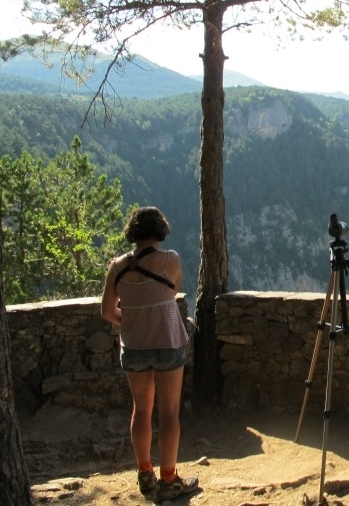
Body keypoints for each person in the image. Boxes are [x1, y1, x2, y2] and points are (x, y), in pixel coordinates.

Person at [100, 206, 199, 501]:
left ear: (133, 231)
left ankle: (145, 474)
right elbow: (171, 293)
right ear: (160, 230)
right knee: (169, 413)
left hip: (134, 347)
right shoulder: (171, 260)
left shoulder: (116, 266)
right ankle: (169, 479)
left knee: (141, 411)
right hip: (167, 343)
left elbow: (106, 311)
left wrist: (128, 321)